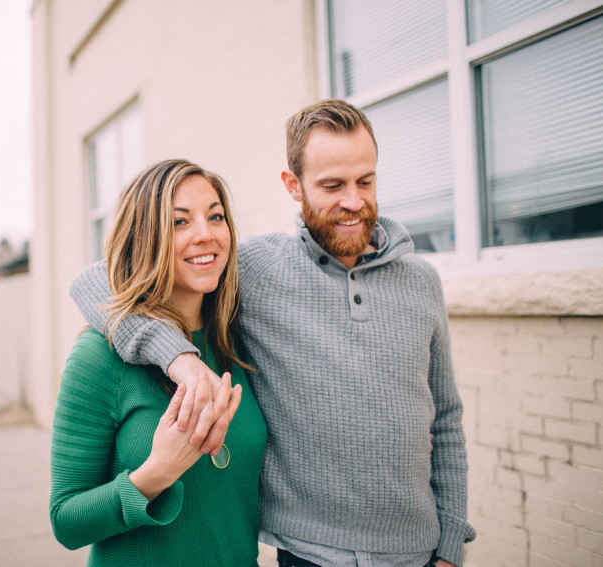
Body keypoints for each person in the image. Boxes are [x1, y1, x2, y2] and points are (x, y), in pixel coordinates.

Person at [70, 99, 476, 567]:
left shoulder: (422, 280)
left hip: (419, 553)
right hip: (307, 556)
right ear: (293, 186)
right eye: (332, 185)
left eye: (366, 180)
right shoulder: (256, 270)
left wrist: (450, 549)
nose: (353, 201)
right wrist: (178, 356)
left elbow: (445, 419)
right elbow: (97, 280)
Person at [50, 159, 267, 566]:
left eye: (215, 216)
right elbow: (66, 521)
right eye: (179, 222)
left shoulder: (237, 342)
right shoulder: (98, 356)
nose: (205, 235)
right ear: (144, 239)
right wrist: (158, 472)